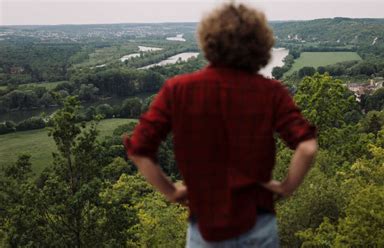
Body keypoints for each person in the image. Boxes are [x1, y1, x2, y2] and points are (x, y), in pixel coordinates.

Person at [124, 3, 318, 247]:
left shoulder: (178, 89)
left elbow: (139, 148)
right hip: (258, 221)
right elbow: (307, 147)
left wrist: (171, 191)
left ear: (209, 41)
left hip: (205, 225)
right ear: (260, 44)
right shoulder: (271, 92)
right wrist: (287, 187)